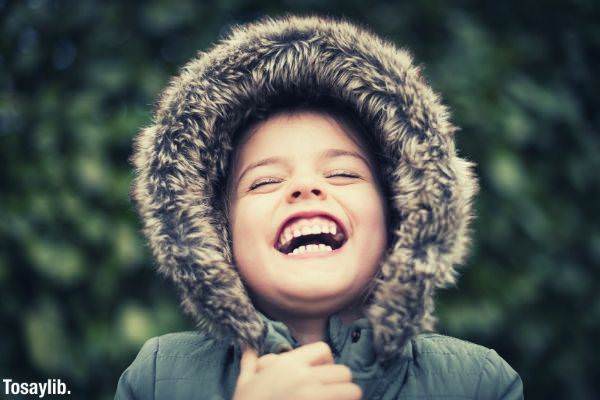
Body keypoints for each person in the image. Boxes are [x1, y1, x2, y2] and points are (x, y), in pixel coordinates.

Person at [114, 13, 523, 400]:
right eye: (266, 181)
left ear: (400, 218)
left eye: (343, 174)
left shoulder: (477, 381)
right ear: (215, 233)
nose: (305, 187)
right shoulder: (157, 376)